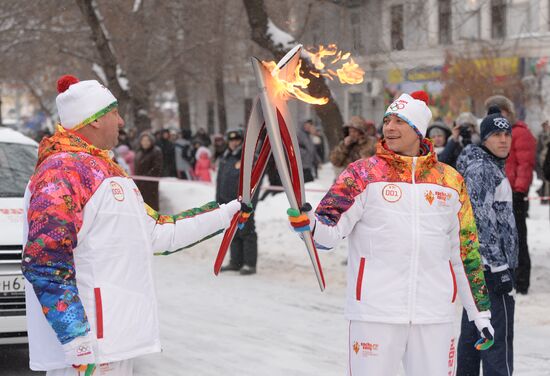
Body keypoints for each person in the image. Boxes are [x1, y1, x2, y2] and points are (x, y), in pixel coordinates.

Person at [21, 75, 247, 376]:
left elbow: (156, 232)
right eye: (114, 113)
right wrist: (76, 339)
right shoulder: (62, 171)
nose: (122, 120)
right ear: (95, 120)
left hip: (115, 343)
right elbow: (44, 259)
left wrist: (226, 214)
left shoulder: (106, 170)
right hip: (87, 350)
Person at [288, 91, 493, 376]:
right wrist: (308, 224)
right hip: (375, 312)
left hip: (434, 315)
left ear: (418, 131)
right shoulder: (362, 174)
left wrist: (479, 312)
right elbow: (328, 232)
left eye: (400, 121)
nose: (390, 128)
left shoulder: (449, 181)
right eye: (387, 120)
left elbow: (465, 251)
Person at [455, 106, 518, 375]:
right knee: (496, 341)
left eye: (507, 134)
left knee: (475, 336)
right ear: (484, 138)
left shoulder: (487, 166)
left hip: (481, 269)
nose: (503, 140)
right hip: (490, 271)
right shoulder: (483, 169)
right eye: (496, 134)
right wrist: (498, 267)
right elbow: (479, 221)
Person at [484, 95, 536, 295]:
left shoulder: (519, 133)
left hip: (514, 193)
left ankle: (522, 281)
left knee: (518, 238)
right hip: (496, 193)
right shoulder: (490, 134)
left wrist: (519, 189)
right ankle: (503, 277)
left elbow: (525, 164)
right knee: (497, 238)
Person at [217, 128, 258, 275]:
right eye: (231, 140)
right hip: (228, 201)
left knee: (247, 231)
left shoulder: (248, 157)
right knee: (232, 231)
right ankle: (236, 262)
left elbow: (253, 182)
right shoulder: (226, 157)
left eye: (237, 140)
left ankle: (249, 264)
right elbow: (220, 180)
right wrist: (219, 201)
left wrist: (250, 202)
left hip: (244, 203)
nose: (234, 143)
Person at [134, 132, 163, 210]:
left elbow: (157, 168)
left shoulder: (156, 151)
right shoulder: (139, 152)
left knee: (150, 206)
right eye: (143, 140)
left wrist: (146, 178)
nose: (145, 142)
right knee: (141, 206)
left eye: (147, 140)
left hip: (150, 184)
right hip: (139, 184)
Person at [536, 120, 550, 204]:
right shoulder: (541, 135)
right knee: (545, 180)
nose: (546, 127)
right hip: (543, 160)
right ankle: (544, 198)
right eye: (545, 125)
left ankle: (544, 196)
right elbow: (538, 150)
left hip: (547, 159)